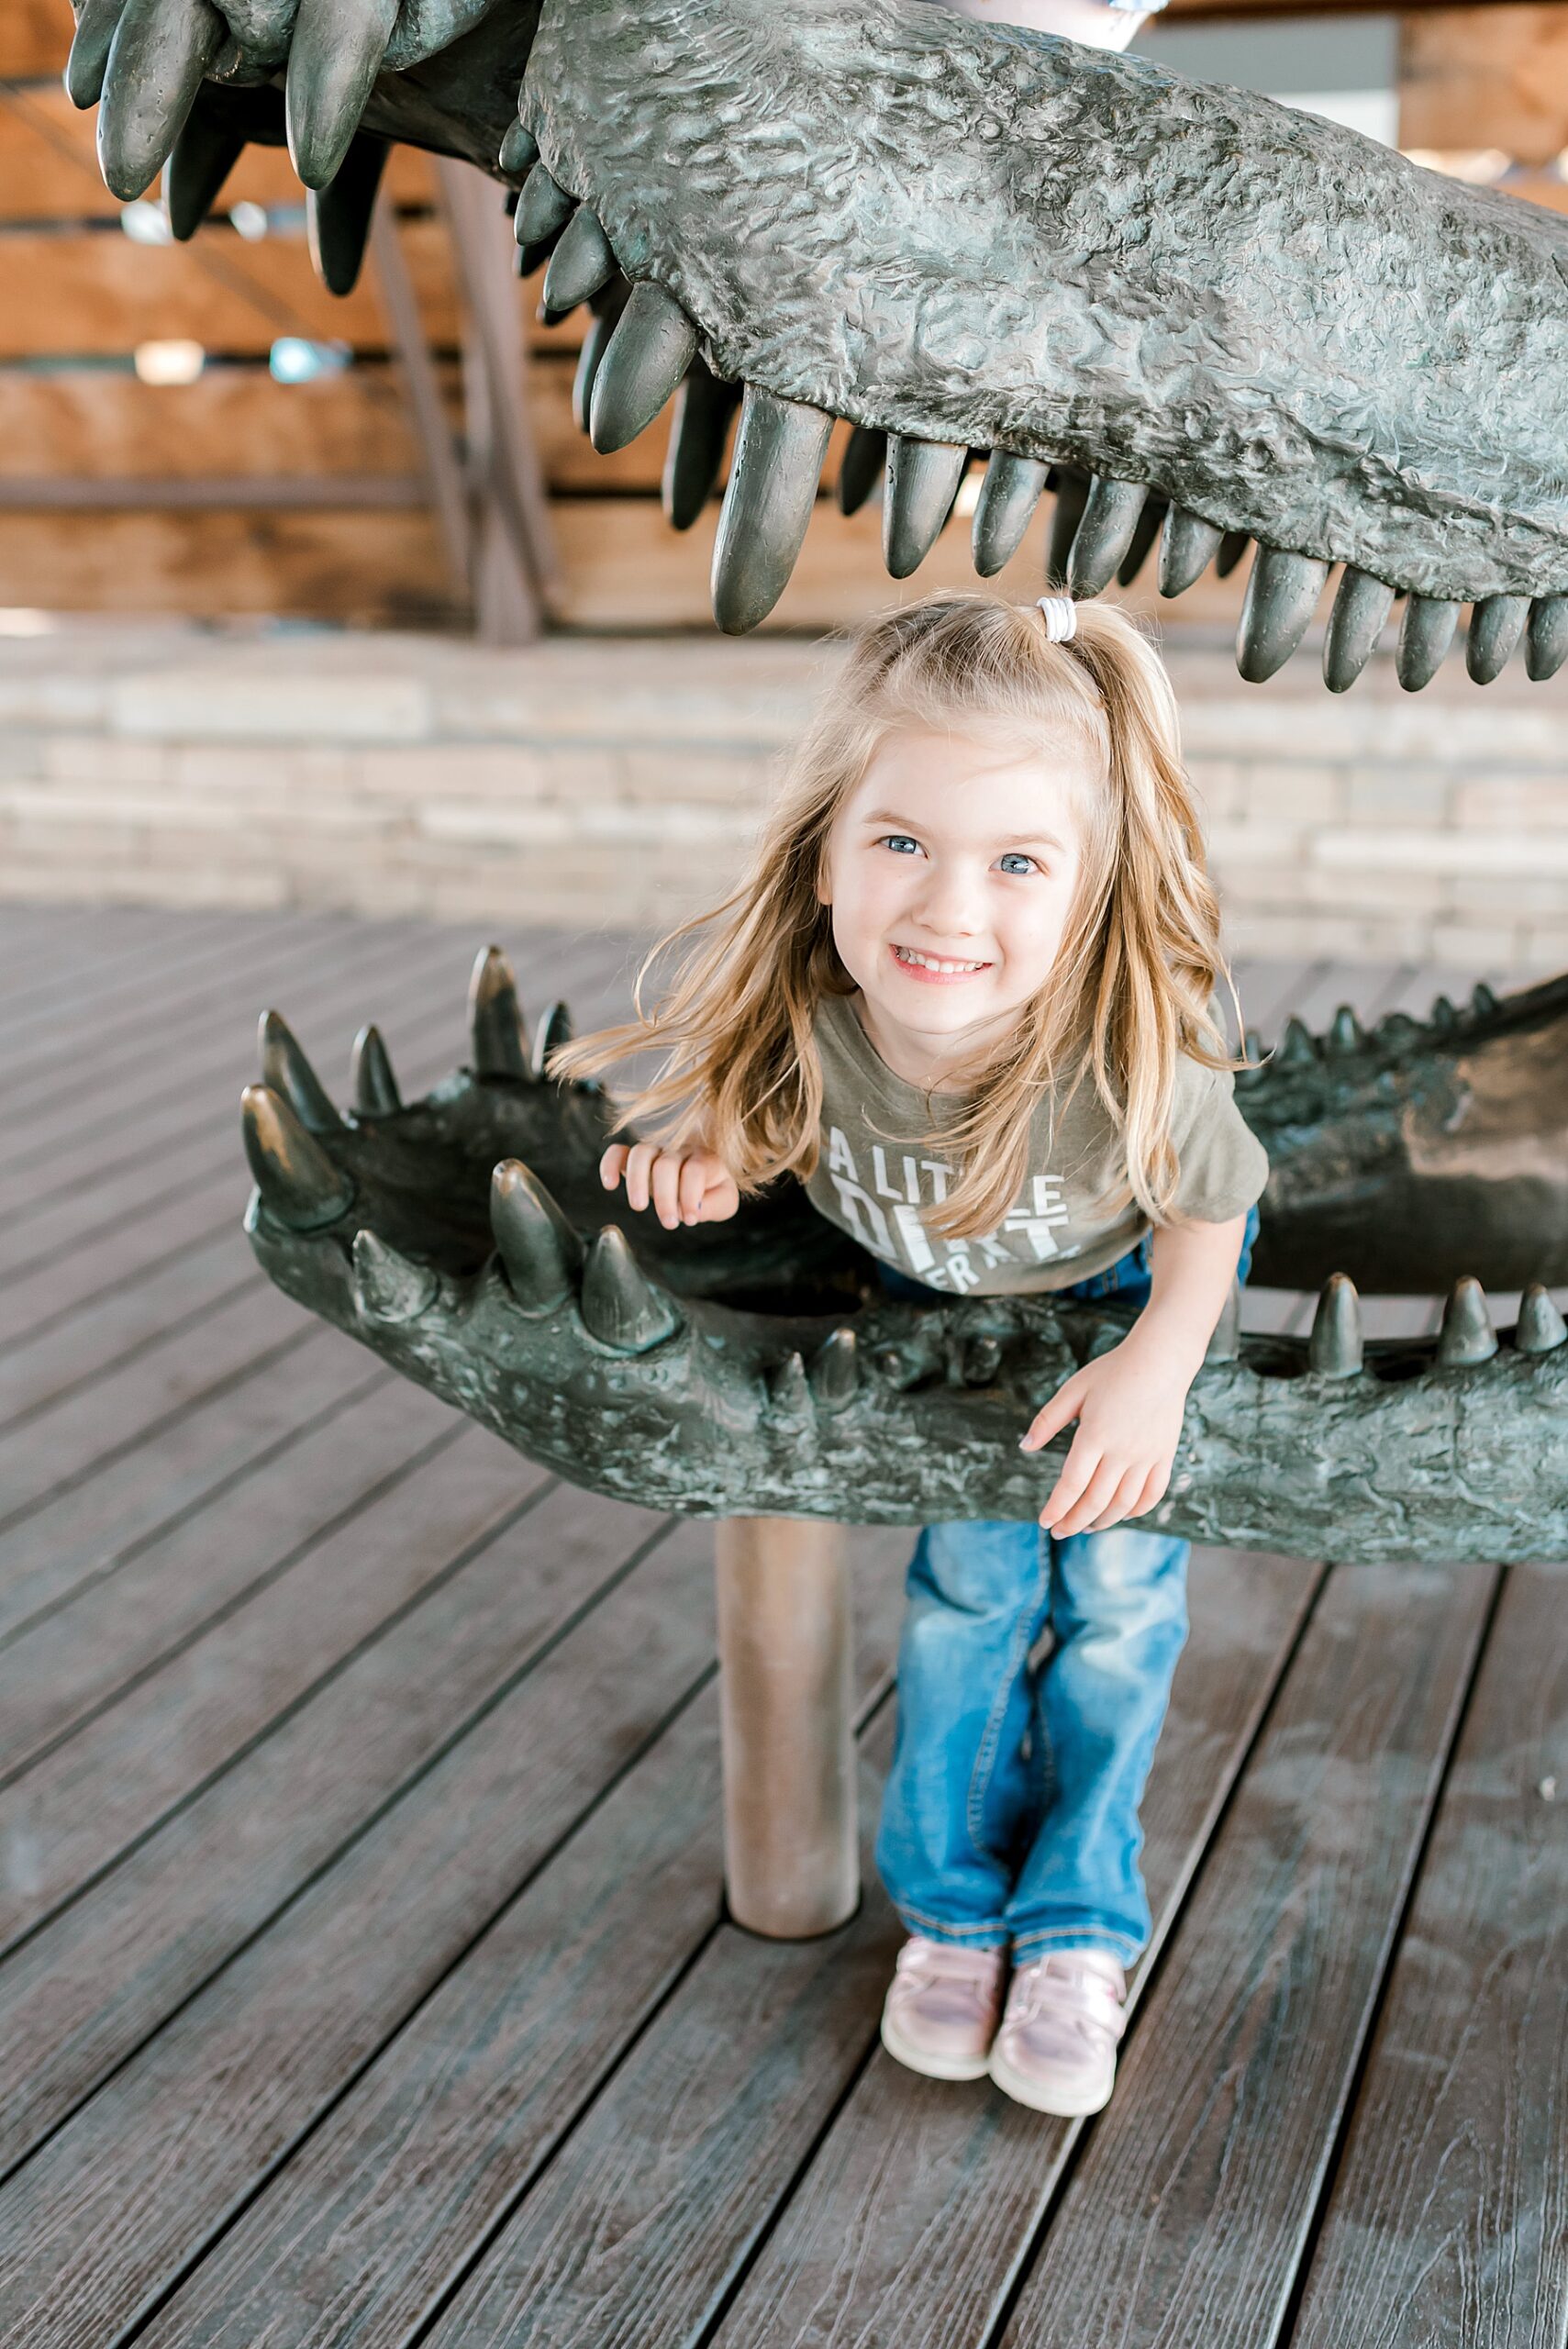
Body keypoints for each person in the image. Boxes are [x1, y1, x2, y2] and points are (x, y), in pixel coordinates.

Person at [549, 589, 1269, 2118]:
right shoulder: (807, 1016)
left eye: (1016, 863)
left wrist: (1157, 1365)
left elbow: (1216, 1203)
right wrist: (704, 1156)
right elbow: (747, 1127)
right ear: (826, 854)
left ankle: (1076, 1921)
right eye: (902, 844)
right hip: (953, 1296)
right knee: (966, 1594)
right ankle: (950, 1909)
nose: (949, 909)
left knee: (1119, 1603)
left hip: (1129, 1274)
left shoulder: (1123, 1045)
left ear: (1085, 896)